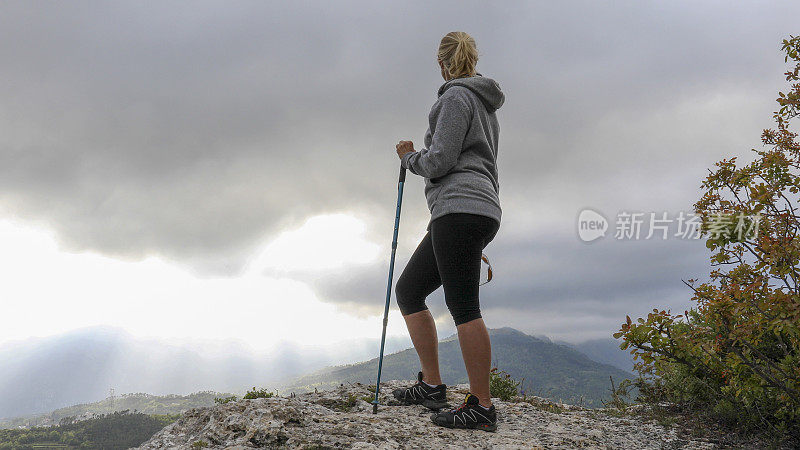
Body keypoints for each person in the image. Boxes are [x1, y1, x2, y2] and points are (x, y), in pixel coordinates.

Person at [391, 31, 505, 432]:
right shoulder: (484, 105)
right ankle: (432, 386)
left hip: (459, 209)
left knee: (463, 306)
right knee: (409, 290)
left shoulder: (455, 98)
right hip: (473, 209)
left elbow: (439, 161)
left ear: (442, 63)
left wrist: (409, 157)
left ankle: (482, 406)